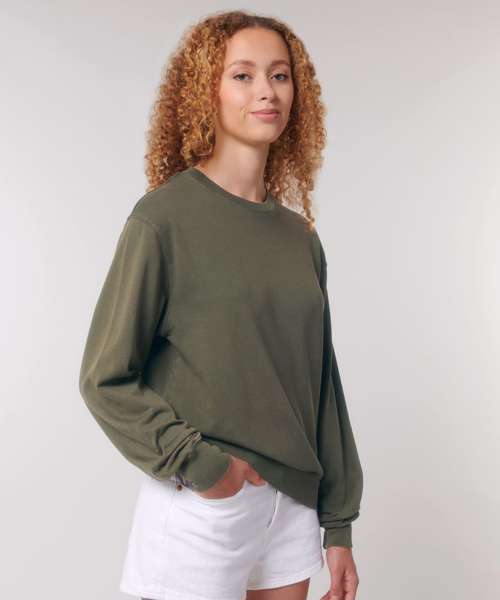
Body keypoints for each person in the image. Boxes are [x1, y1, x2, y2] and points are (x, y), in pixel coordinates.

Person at [79, 9, 363, 600]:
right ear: (206, 90)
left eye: (279, 75)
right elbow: (104, 377)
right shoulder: (164, 220)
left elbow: (321, 386)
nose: (266, 91)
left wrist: (338, 523)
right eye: (243, 75)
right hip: (203, 505)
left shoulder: (300, 238)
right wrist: (203, 467)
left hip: (293, 508)